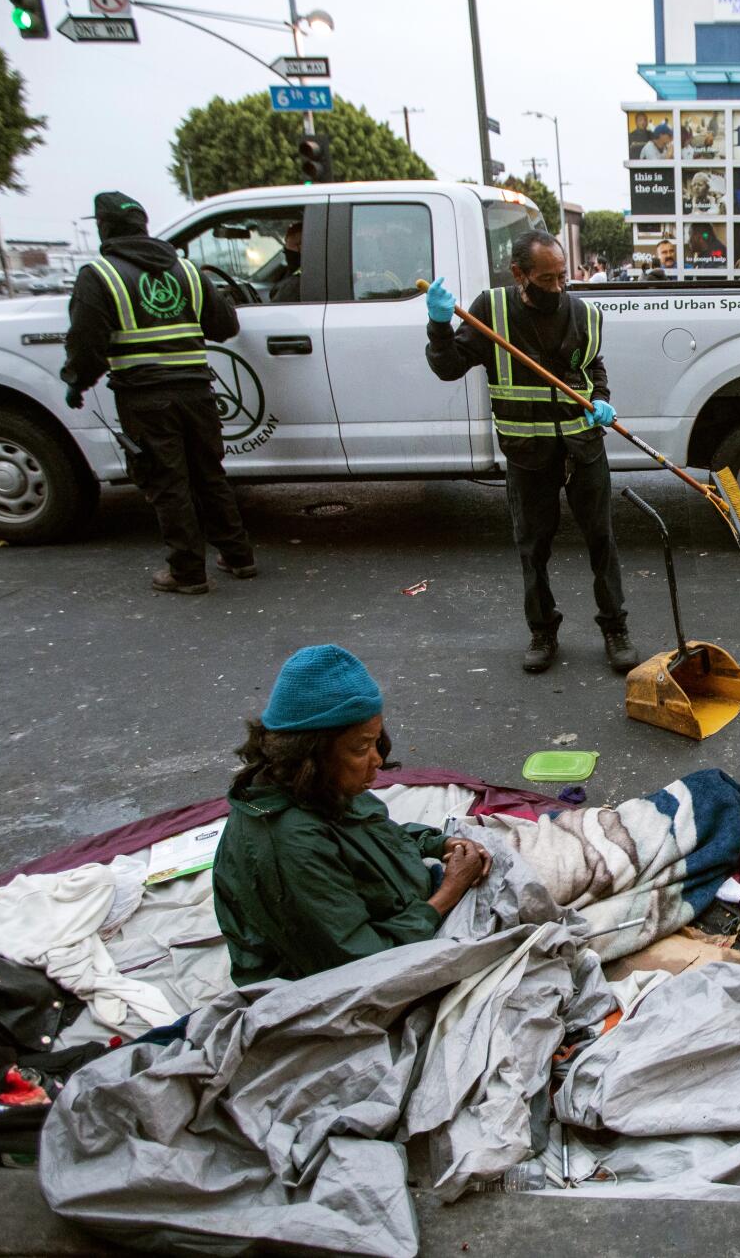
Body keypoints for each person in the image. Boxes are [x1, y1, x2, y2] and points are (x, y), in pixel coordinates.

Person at [423, 232, 641, 674]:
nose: (559, 287)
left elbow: (592, 366)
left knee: (602, 541)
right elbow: (448, 368)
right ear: (519, 274)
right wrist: (439, 327)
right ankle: (542, 631)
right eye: (547, 278)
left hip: (583, 446)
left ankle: (615, 628)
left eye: (563, 276)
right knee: (533, 548)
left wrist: (600, 397)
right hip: (527, 452)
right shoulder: (491, 311)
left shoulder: (582, 312)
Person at [212, 645, 492, 984]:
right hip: (326, 981)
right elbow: (360, 964)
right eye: (361, 748)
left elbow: (372, 833)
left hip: (400, 916)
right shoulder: (291, 845)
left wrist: (439, 843)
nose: (376, 759)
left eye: (376, 742)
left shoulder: (320, 787)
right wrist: (449, 891)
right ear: (309, 755)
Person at [61, 191, 255, 595]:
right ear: (144, 226)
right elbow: (224, 326)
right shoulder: (186, 270)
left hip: (144, 397)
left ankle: (187, 573)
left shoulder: (101, 277)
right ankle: (238, 556)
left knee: (168, 483)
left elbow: (86, 344)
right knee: (209, 474)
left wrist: (76, 382)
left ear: (105, 229)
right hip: (197, 392)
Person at [268, 221, 303, 302]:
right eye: (286, 245)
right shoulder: (290, 273)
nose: (286, 250)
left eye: (296, 245)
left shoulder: (295, 284)